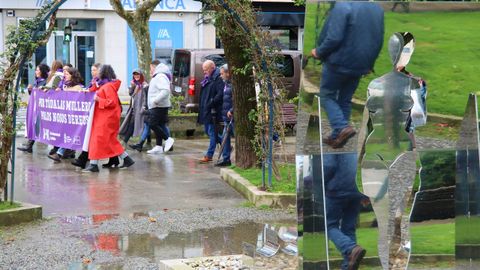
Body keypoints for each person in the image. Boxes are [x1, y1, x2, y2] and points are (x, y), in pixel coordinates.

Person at [311, 2, 384, 149]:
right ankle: (337, 138)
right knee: (345, 100)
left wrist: (319, 52)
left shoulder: (343, 6)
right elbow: (378, 39)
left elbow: (334, 38)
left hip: (339, 62)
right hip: (360, 64)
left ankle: (341, 127)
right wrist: (370, 64)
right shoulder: (377, 9)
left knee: (326, 96)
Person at [83, 65, 134, 172]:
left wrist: (98, 99)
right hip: (104, 117)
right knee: (109, 141)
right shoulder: (106, 85)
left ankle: (94, 164)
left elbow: (112, 102)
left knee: (99, 139)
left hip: (106, 118)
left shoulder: (108, 86)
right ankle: (126, 159)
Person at [322, 153, 367, 270]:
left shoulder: (333, 141)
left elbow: (328, 165)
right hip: (356, 190)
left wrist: (321, 184)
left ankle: (350, 248)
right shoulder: (353, 141)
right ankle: (348, 266)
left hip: (336, 189)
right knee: (349, 228)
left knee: (328, 225)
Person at [48, 68, 85, 162]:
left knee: (70, 135)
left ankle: (60, 153)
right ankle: (65, 153)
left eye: (67, 74)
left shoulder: (77, 88)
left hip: (74, 116)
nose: (65, 76)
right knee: (67, 135)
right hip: (66, 116)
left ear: (73, 76)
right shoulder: (66, 86)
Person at [18, 63, 50, 153]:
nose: (36, 71)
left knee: (41, 126)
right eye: (36, 70)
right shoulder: (37, 81)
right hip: (35, 107)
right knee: (34, 124)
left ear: (42, 71)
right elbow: (34, 95)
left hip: (41, 108)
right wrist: (30, 90)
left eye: (37, 70)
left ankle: (59, 150)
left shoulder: (45, 82)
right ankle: (29, 145)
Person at [144, 60, 175, 154]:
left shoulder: (160, 76)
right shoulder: (158, 76)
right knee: (160, 125)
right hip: (159, 106)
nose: (150, 71)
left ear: (154, 67)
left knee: (152, 124)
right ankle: (158, 146)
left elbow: (165, 91)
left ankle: (167, 139)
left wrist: (155, 100)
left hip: (158, 106)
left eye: (150, 68)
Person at [197, 60, 224, 163]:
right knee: (208, 131)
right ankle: (226, 145)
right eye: (203, 70)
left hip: (214, 110)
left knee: (212, 132)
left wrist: (211, 102)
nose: (204, 72)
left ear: (212, 68)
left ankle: (209, 155)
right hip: (207, 109)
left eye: (206, 70)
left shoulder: (217, 78)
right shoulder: (208, 78)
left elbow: (220, 93)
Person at [119, 69, 148, 144]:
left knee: (145, 125)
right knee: (134, 124)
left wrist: (144, 107)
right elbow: (131, 94)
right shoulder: (134, 84)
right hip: (133, 108)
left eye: (138, 74)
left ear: (141, 75)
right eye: (135, 75)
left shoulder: (144, 85)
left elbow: (146, 97)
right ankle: (125, 140)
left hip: (141, 108)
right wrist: (132, 86)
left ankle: (125, 141)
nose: (136, 76)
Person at [215, 64, 233, 167]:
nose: (220, 76)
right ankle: (226, 158)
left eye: (222, 74)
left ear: (228, 73)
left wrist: (232, 110)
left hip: (232, 117)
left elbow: (237, 100)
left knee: (227, 137)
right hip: (227, 117)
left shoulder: (233, 85)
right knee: (225, 138)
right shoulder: (226, 84)